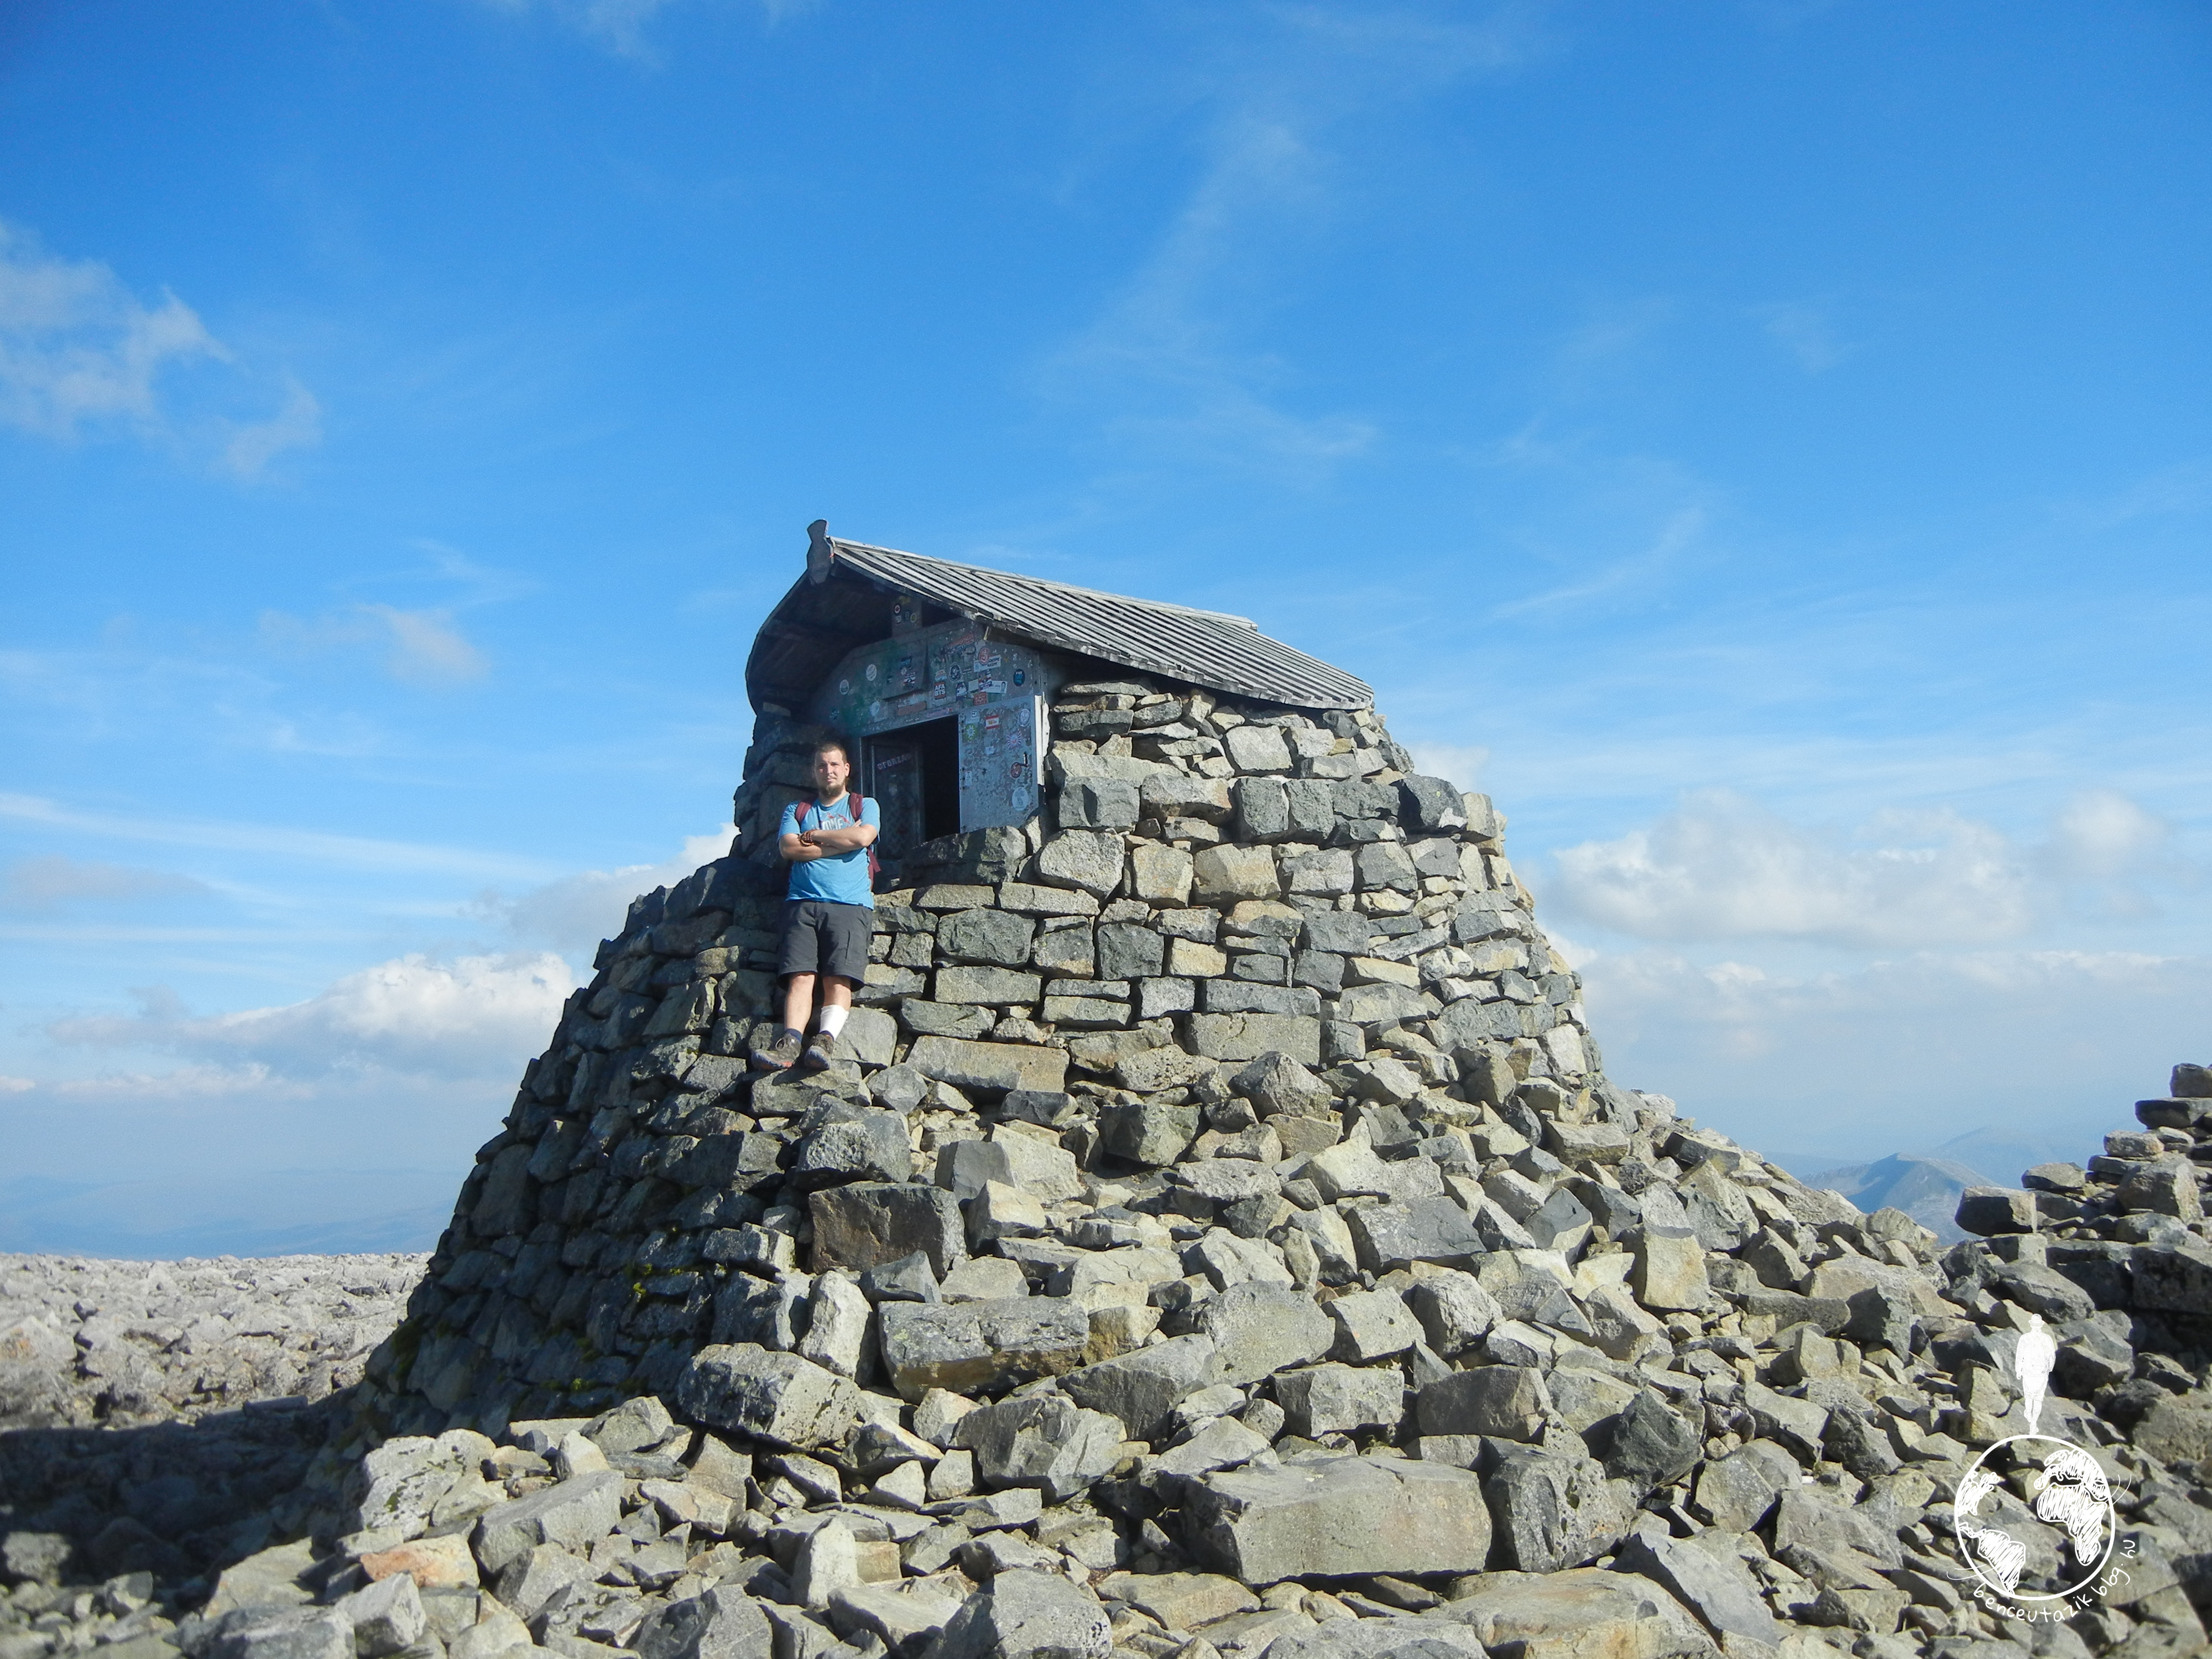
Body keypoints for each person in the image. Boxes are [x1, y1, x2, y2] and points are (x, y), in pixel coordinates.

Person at [749, 737, 880, 1072]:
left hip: (851, 904)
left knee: (839, 978)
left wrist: (817, 836)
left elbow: (863, 838)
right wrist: (843, 842)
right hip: (802, 903)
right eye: (822, 766)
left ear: (847, 769)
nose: (828, 771)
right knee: (800, 976)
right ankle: (791, 1041)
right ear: (814, 772)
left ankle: (824, 1041)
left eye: (835, 764)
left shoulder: (865, 805)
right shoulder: (796, 810)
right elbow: (790, 849)